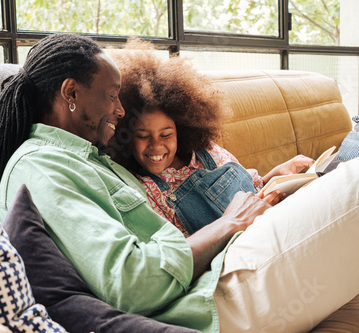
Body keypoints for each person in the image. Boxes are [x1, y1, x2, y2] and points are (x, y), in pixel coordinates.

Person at [0, 32, 359, 333]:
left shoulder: (85, 161)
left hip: (222, 272)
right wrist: (228, 224)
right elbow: (133, 283)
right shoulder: (43, 167)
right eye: (112, 96)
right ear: (71, 93)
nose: (119, 110)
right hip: (210, 299)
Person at [108, 38, 314, 236]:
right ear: (125, 138)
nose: (156, 144)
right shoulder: (146, 189)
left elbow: (252, 189)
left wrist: (278, 175)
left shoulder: (207, 151)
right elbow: (184, 249)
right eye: (143, 136)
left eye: (166, 134)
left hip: (273, 221)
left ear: (182, 128)